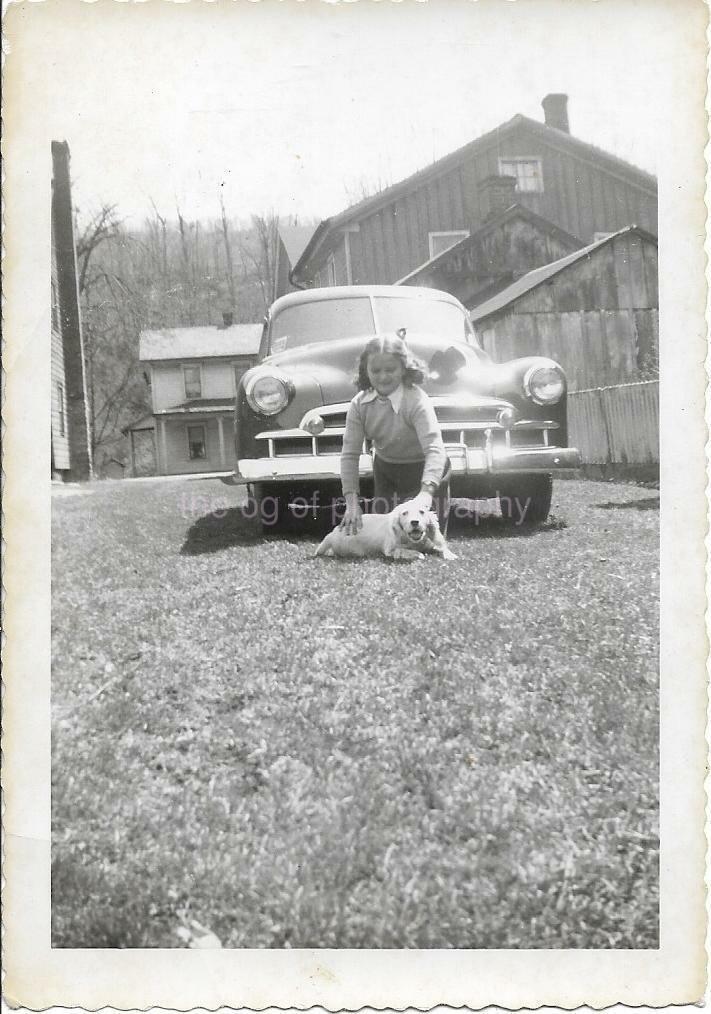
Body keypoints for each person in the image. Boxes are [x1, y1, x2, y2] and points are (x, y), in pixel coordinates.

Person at [339, 329, 450, 535]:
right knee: (384, 535)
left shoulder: (416, 400)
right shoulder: (359, 405)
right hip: (387, 471)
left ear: (404, 368)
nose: (383, 377)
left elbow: (435, 449)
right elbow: (349, 456)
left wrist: (426, 493)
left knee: (427, 539)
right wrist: (352, 503)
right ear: (366, 370)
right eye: (376, 370)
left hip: (425, 471)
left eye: (390, 369)